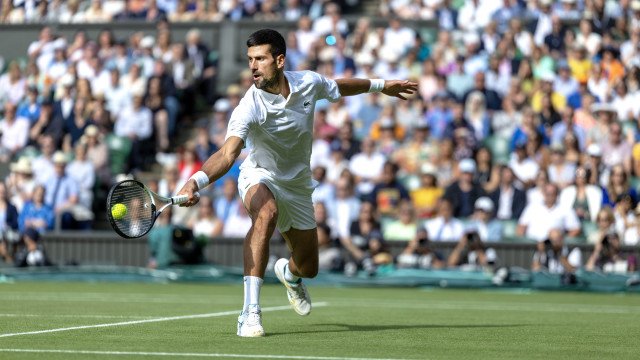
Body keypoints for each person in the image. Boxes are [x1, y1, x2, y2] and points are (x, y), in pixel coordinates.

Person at [176, 29, 417, 337]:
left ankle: (290, 275)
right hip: (259, 174)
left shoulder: (308, 83)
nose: (253, 66)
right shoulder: (248, 106)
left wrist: (382, 86)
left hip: (298, 185)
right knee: (266, 214)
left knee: (309, 267)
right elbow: (227, 153)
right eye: (250, 59)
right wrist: (195, 181)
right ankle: (250, 311)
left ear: (279, 60)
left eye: (260, 59)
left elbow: (339, 87)